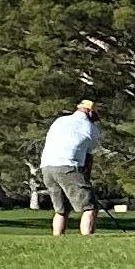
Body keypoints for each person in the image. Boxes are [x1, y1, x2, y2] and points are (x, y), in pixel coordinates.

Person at [38, 96, 99, 238]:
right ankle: (87, 238)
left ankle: (57, 238)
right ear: (90, 112)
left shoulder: (59, 121)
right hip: (68, 166)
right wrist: (86, 178)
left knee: (61, 209)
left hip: (47, 167)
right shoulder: (91, 128)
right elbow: (88, 158)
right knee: (89, 207)